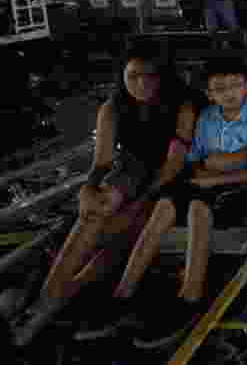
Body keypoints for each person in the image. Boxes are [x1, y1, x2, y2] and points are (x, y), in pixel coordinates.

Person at [15, 43, 202, 346]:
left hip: (169, 176)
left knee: (128, 230)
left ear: (163, 76)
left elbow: (173, 164)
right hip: (133, 167)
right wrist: (87, 190)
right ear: (123, 76)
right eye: (133, 76)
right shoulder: (113, 107)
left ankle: (63, 296)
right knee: (93, 214)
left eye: (150, 76)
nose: (141, 84)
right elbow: (101, 162)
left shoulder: (183, 105)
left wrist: (137, 205)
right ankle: (45, 303)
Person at [100, 58, 247, 348]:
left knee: (197, 207)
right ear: (209, 93)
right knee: (165, 204)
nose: (229, 93)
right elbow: (196, 161)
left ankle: (190, 295)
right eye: (220, 88)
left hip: (243, 188)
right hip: (206, 181)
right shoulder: (207, 118)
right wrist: (233, 158)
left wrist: (217, 172)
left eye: (236, 85)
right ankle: (124, 291)